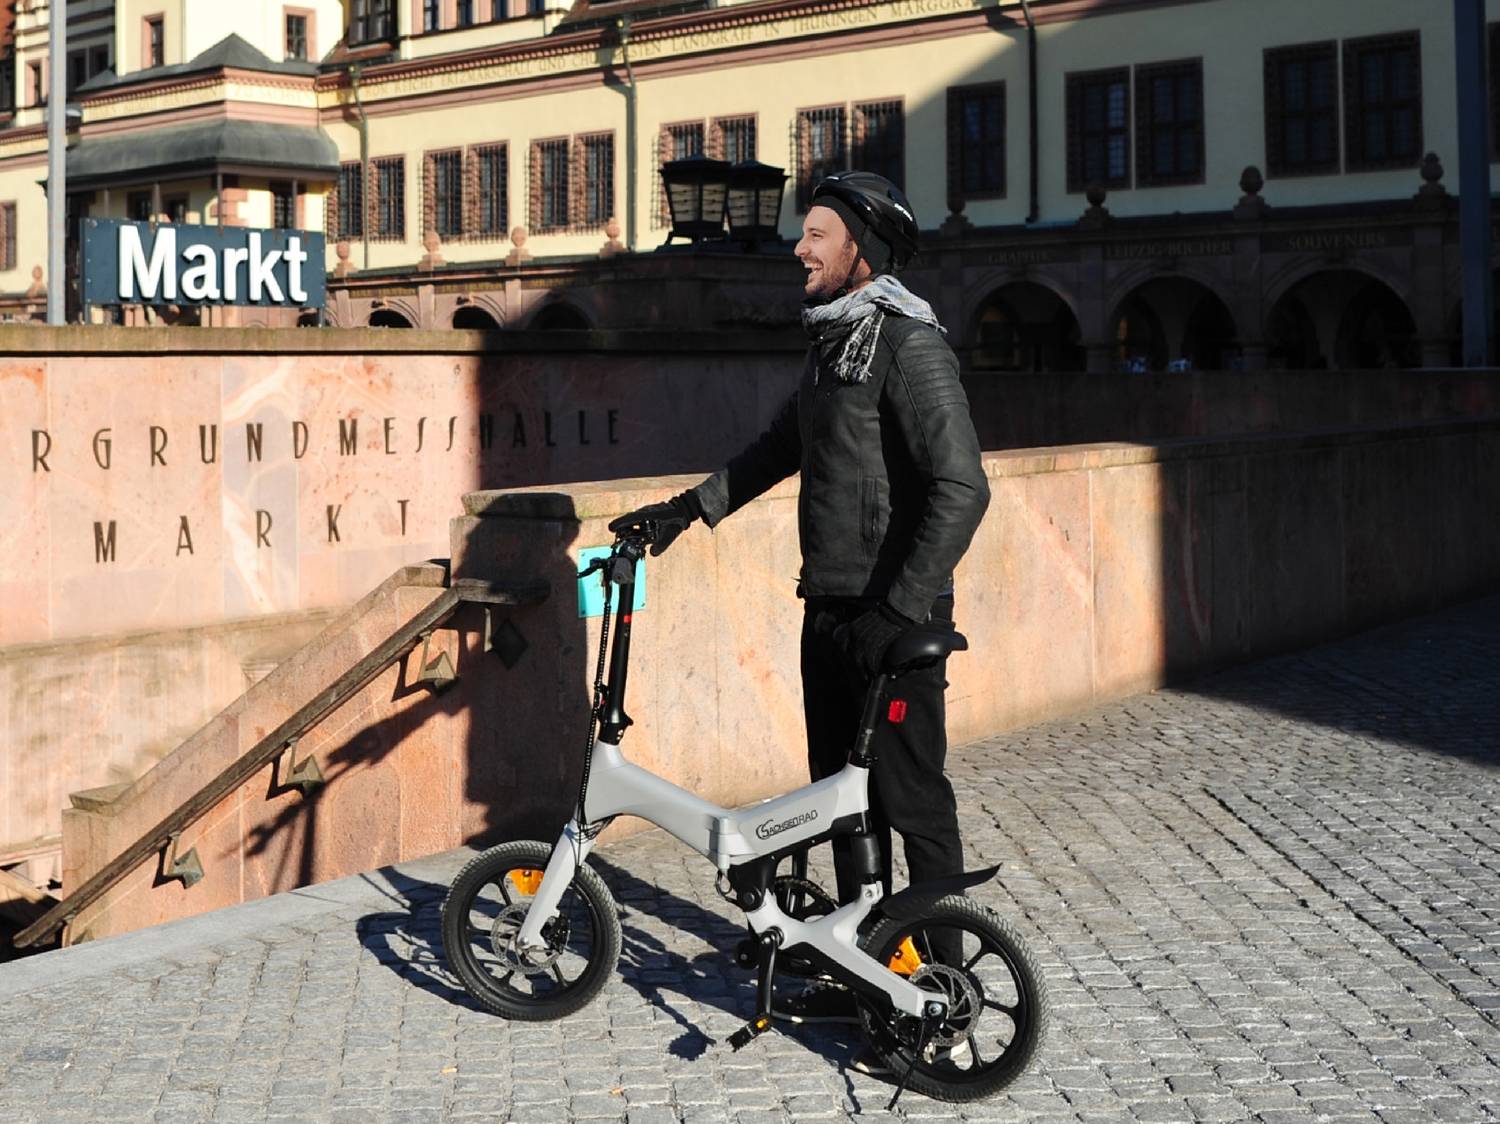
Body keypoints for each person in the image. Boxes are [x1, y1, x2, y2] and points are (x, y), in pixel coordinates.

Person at [609, 171, 990, 1030]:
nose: (799, 248)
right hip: (831, 607)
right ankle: (864, 970)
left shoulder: (907, 344)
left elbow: (963, 486)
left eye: (818, 233)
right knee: (841, 800)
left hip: (893, 620)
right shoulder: (832, 347)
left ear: (862, 249)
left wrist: (900, 610)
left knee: (912, 801)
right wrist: (684, 511)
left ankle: (942, 991)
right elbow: (776, 449)